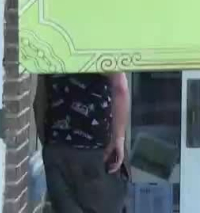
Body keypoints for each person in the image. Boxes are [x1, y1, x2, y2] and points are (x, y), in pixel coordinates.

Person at [35, 73, 130, 213]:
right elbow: (120, 88)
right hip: (97, 150)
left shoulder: (50, 58)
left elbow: (39, 100)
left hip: (57, 149)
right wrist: (119, 139)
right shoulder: (101, 57)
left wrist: (47, 143)